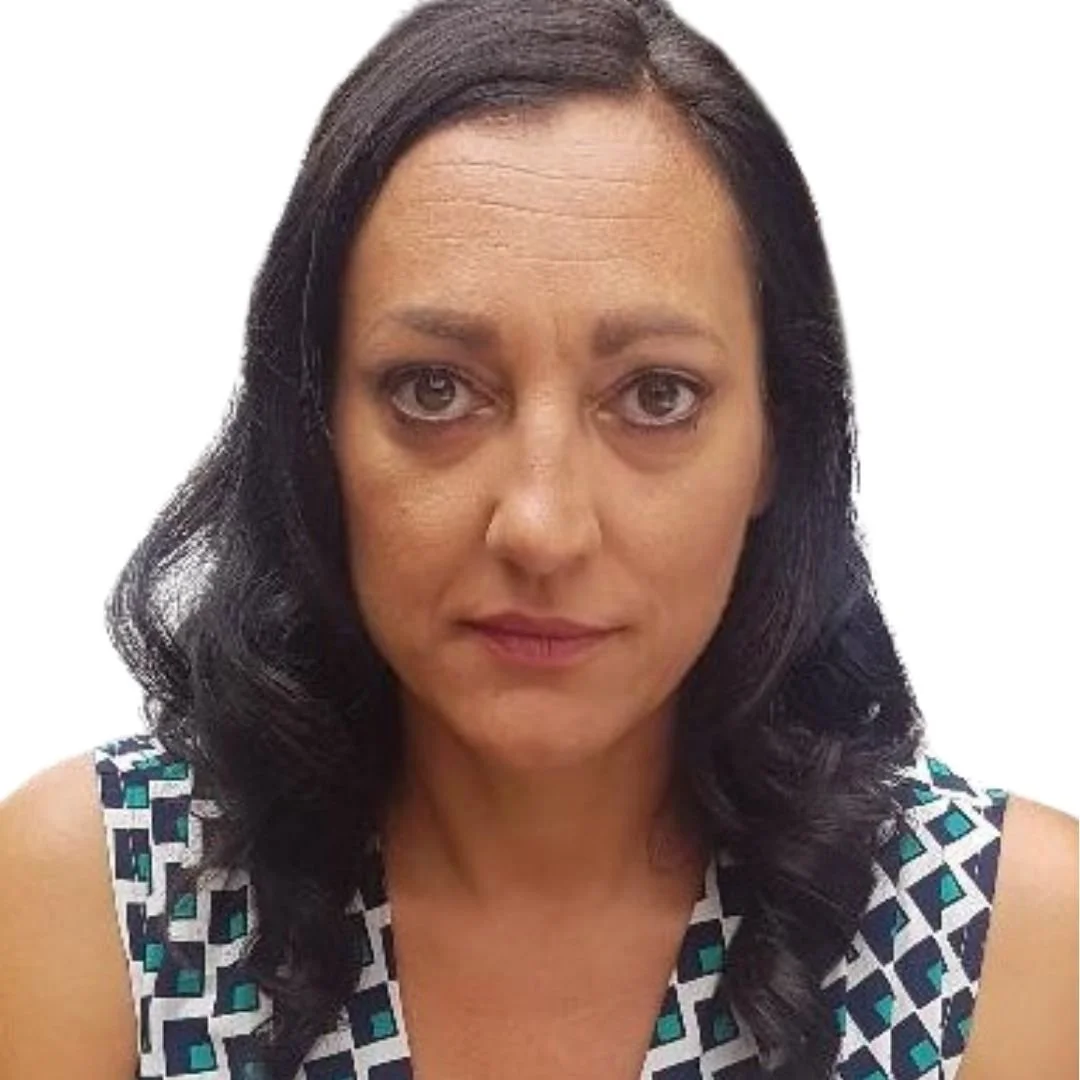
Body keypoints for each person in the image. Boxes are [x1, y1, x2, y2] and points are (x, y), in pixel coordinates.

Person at [0, 0, 1076, 1077]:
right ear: (313, 430)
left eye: (656, 395)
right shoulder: (100, 901)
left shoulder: (1010, 947)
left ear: (774, 448)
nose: (543, 525)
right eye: (434, 390)